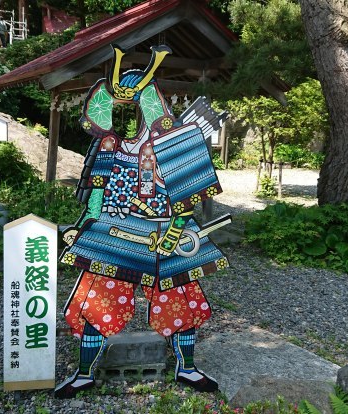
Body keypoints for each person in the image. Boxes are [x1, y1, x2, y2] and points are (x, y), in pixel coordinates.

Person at [55, 44, 229, 398]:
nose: (125, 113)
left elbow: (188, 197)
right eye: (117, 104)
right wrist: (84, 225)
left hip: (167, 232)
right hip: (113, 235)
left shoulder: (175, 139)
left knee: (181, 301)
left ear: (148, 102)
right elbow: (97, 196)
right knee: (96, 302)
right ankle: (85, 372)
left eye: (132, 102)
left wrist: (176, 231)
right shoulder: (106, 147)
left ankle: (187, 368)